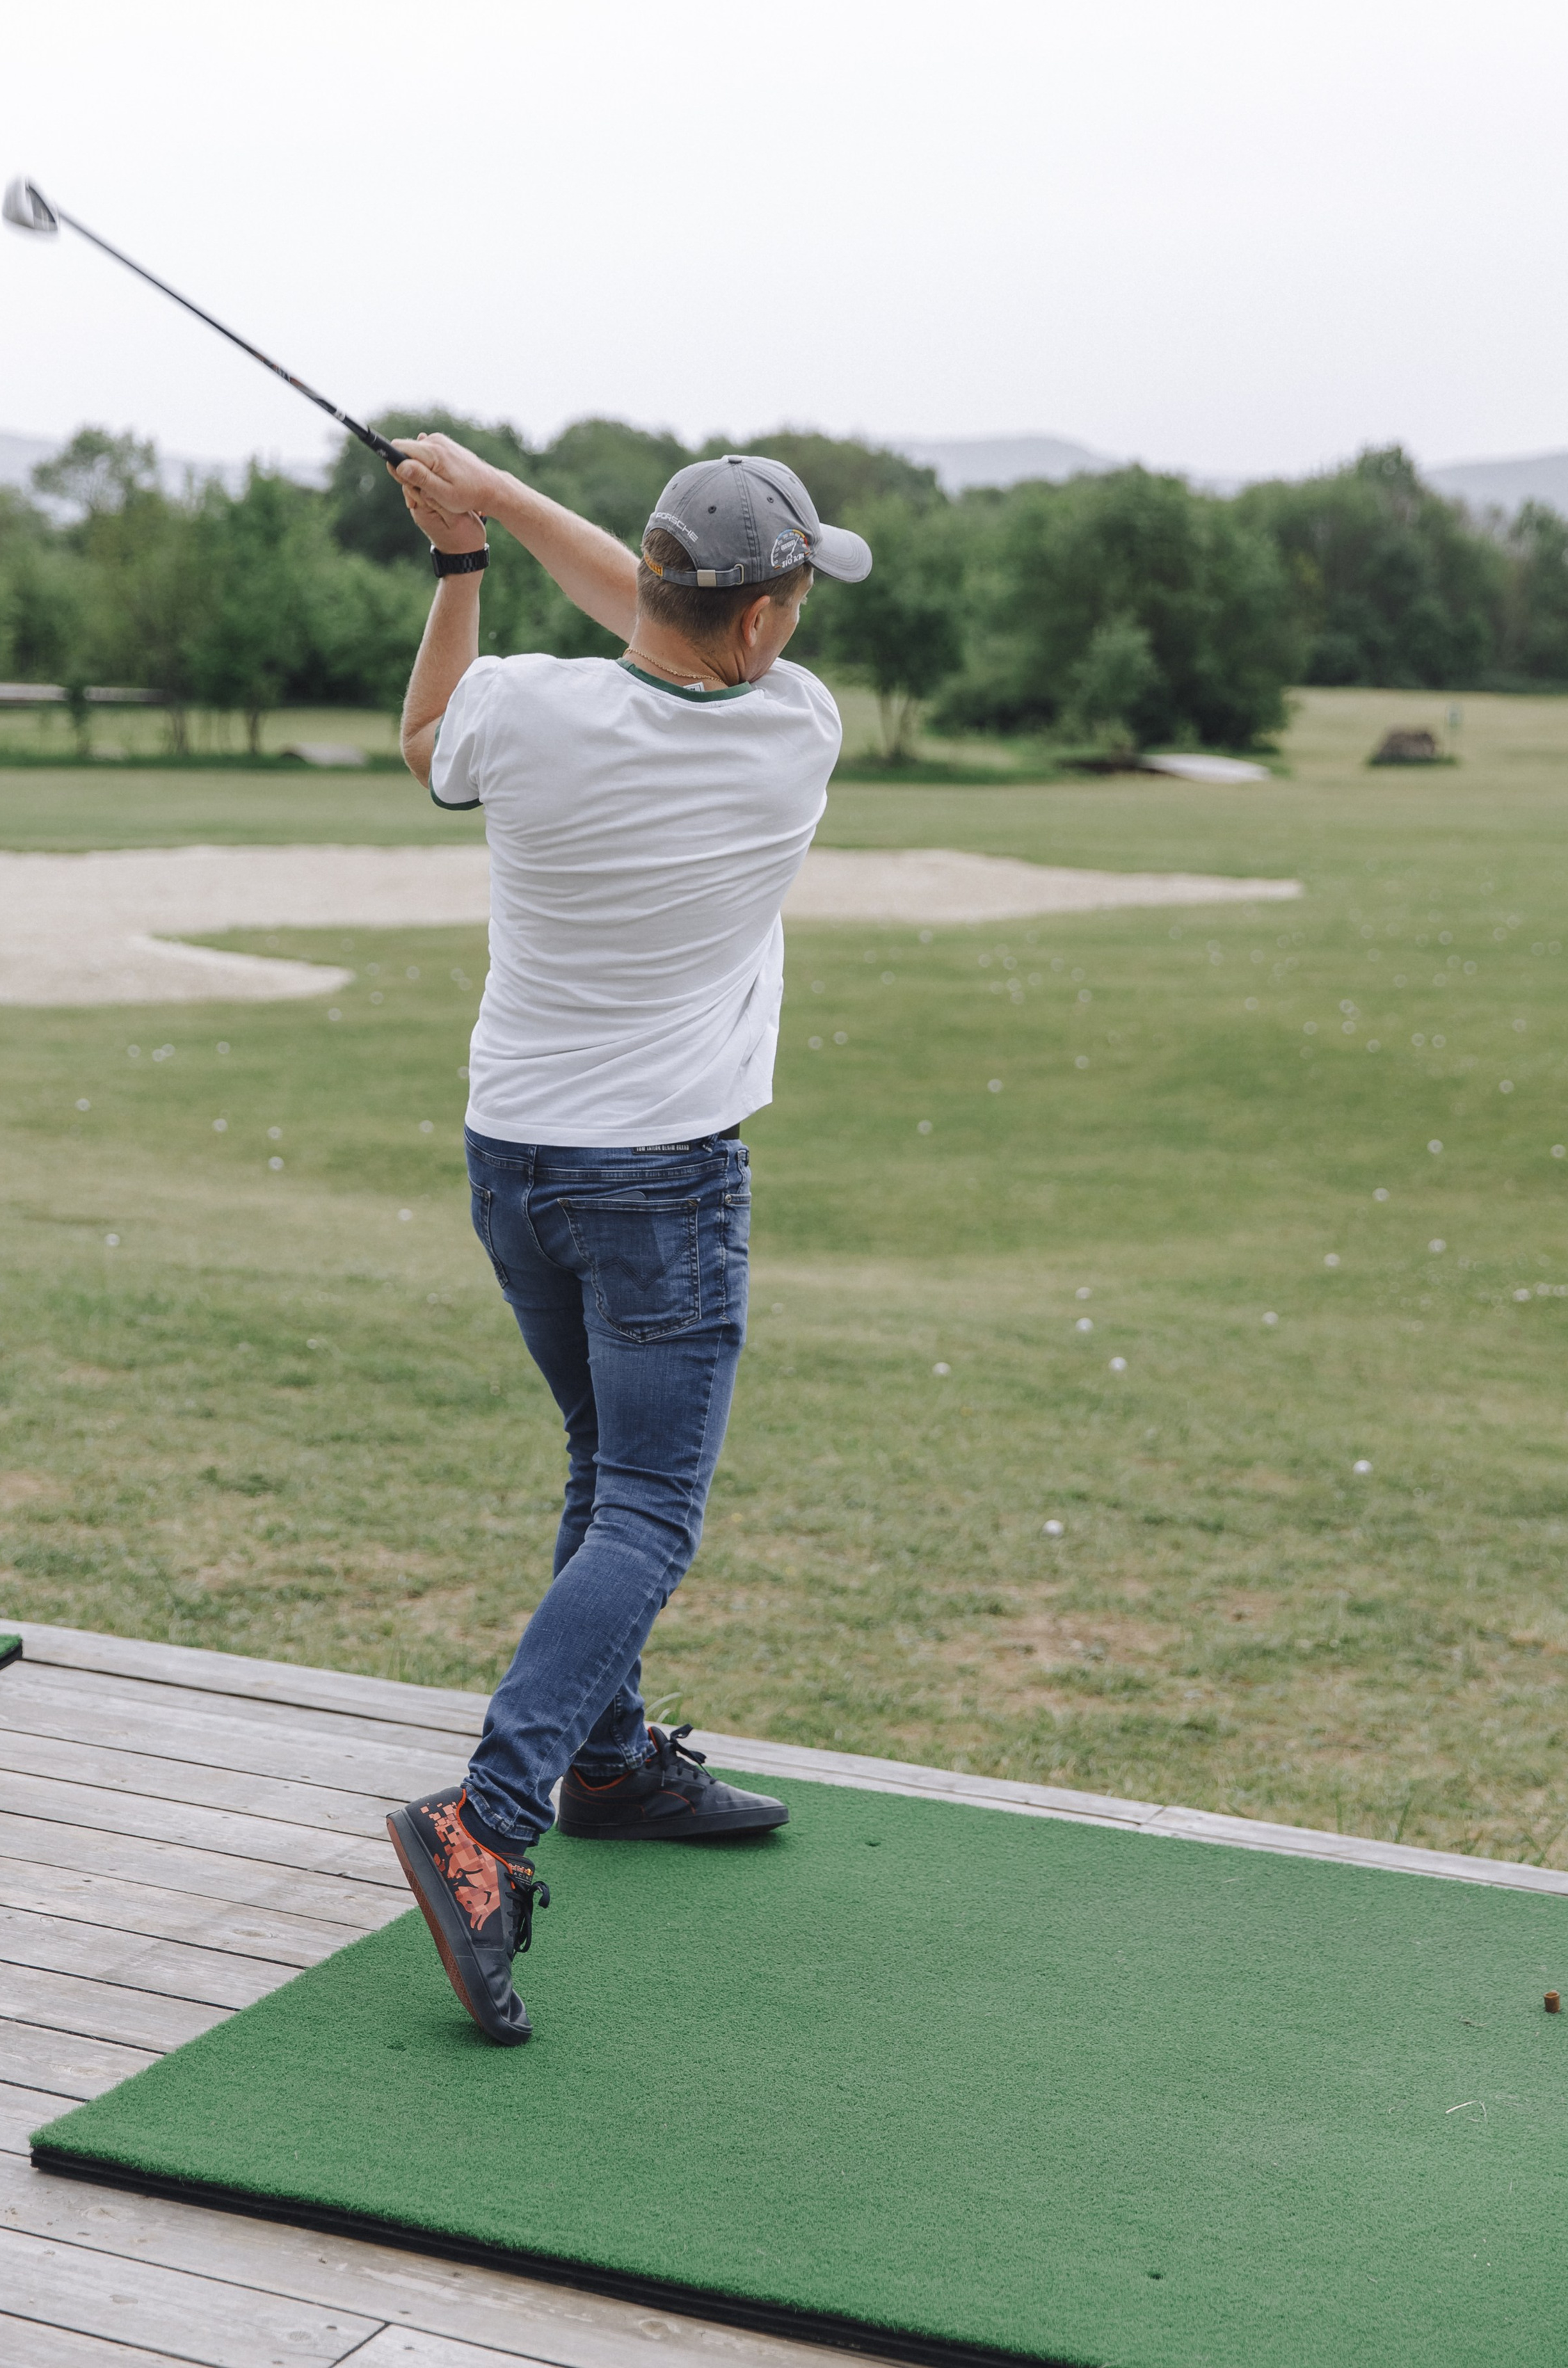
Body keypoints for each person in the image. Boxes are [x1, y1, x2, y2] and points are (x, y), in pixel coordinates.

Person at [381, 433, 871, 2045]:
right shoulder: (794, 734)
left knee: (602, 1468)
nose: (795, 627)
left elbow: (426, 739)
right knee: (649, 1509)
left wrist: (466, 551)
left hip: (512, 1163)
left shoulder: (521, 707)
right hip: (659, 1183)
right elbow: (658, 614)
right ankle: (488, 1816)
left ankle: (606, 1761)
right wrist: (503, 498)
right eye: (792, 596)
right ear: (760, 623)